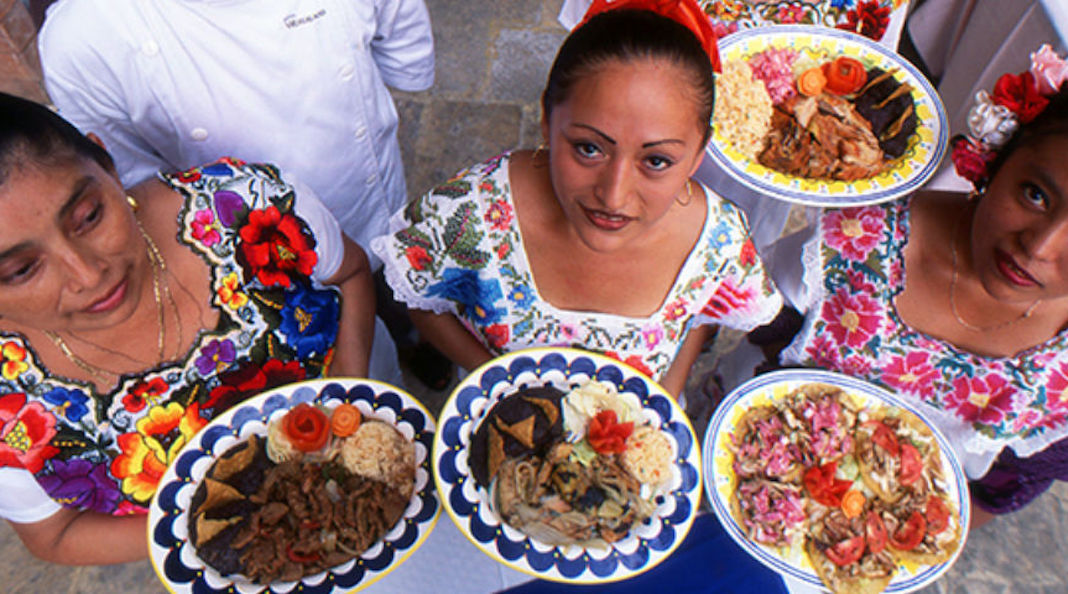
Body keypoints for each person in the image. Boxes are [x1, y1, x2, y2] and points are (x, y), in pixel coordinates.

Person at [0, 92, 375, 563]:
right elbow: (55, 535)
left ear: (107, 164)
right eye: (20, 270)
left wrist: (350, 400)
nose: (88, 275)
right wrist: (226, 530)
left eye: (89, 217)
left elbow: (350, 274)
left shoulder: (247, 208)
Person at [371, 4, 783, 398]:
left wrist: (664, 398)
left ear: (697, 156)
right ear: (547, 121)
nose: (613, 196)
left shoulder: (717, 243)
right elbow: (424, 301)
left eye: (656, 161)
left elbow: (701, 316)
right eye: (589, 148)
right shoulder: (471, 212)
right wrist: (504, 385)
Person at [36, 0, 435, 385]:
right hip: (249, 249)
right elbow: (132, 181)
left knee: (392, 284)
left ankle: (418, 338)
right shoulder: (83, 35)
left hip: (360, 196)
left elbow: (400, 45)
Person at [761, 51, 1068, 523]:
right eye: (1035, 195)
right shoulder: (856, 241)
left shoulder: (1058, 381)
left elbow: (997, 492)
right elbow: (755, 322)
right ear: (999, 157)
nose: (1039, 247)